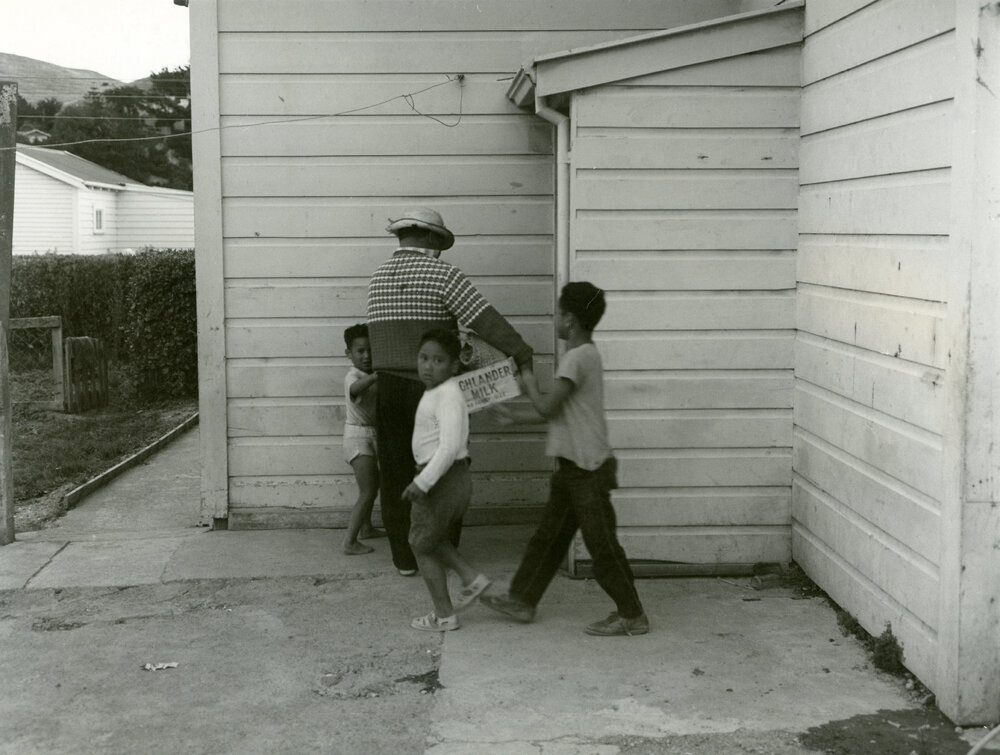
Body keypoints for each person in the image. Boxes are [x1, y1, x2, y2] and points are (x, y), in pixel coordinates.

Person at [367, 207, 533, 576]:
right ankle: (440, 548)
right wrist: (521, 352)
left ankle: (405, 558)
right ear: (428, 238)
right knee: (446, 467)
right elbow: (485, 321)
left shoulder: (377, 278)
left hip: (388, 389)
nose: (440, 251)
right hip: (432, 389)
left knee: (394, 470)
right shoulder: (443, 275)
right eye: (438, 243)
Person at [481, 282, 649, 636]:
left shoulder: (577, 359)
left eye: (558, 313)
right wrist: (514, 417)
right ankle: (522, 601)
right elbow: (557, 412)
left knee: (601, 545)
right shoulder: (586, 354)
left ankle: (632, 615)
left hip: (588, 470)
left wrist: (524, 372)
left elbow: (546, 406)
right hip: (574, 465)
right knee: (549, 538)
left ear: (570, 319)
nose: (555, 318)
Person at [403, 329, 491, 631]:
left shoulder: (448, 394)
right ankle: (471, 579)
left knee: (421, 544)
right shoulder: (441, 391)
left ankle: (444, 615)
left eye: (438, 360)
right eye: (423, 358)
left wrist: (423, 482)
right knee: (432, 539)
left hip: (442, 479)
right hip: (446, 478)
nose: (428, 366)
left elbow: (449, 446)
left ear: (454, 366)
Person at [341, 323, 385, 555]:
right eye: (360, 351)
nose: (367, 356)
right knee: (368, 491)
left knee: (373, 487)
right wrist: (378, 376)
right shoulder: (354, 376)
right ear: (349, 354)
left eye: (371, 350)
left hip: (371, 434)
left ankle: (366, 528)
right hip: (357, 436)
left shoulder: (368, 373)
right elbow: (357, 388)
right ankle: (349, 541)